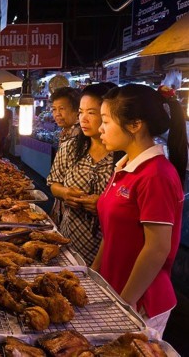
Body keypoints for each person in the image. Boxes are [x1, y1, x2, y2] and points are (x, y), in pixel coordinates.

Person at [92, 84, 187, 336]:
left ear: (135, 125)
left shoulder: (156, 175)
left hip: (141, 301)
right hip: (116, 290)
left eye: (105, 121)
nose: (100, 128)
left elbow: (157, 249)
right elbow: (112, 232)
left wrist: (124, 304)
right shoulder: (124, 167)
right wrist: (92, 274)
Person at [47, 83, 119, 265]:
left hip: (108, 249)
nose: (83, 119)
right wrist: (64, 193)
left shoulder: (122, 156)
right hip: (68, 241)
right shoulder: (70, 148)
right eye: (81, 112)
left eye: (92, 113)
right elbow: (53, 183)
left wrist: (102, 206)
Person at [49, 86, 82, 224]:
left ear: (76, 110)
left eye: (62, 109)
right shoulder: (66, 133)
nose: (57, 114)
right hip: (63, 208)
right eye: (54, 109)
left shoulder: (79, 136)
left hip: (75, 212)